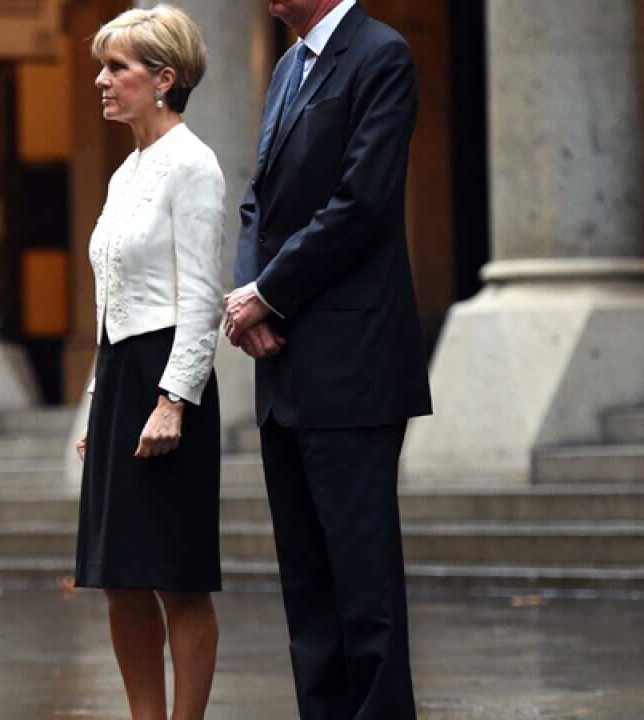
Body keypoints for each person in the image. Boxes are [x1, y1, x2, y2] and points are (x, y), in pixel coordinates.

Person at [224, 1, 432, 718]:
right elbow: (257, 201)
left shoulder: (381, 55)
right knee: (307, 592)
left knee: (364, 591)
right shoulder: (287, 65)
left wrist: (268, 294)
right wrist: (250, 298)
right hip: (283, 364)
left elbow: (362, 202)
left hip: (353, 364)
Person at [72, 5, 226, 719]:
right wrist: (97, 401)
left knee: (176, 577)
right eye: (101, 67)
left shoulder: (192, 164)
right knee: (120, 577)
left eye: (117, 67)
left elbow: (201, 295)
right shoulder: (124, 172)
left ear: (164, 79)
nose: (101, 81)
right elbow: (111, 300)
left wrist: (174, 400)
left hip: (167, 379)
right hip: (120, 377)